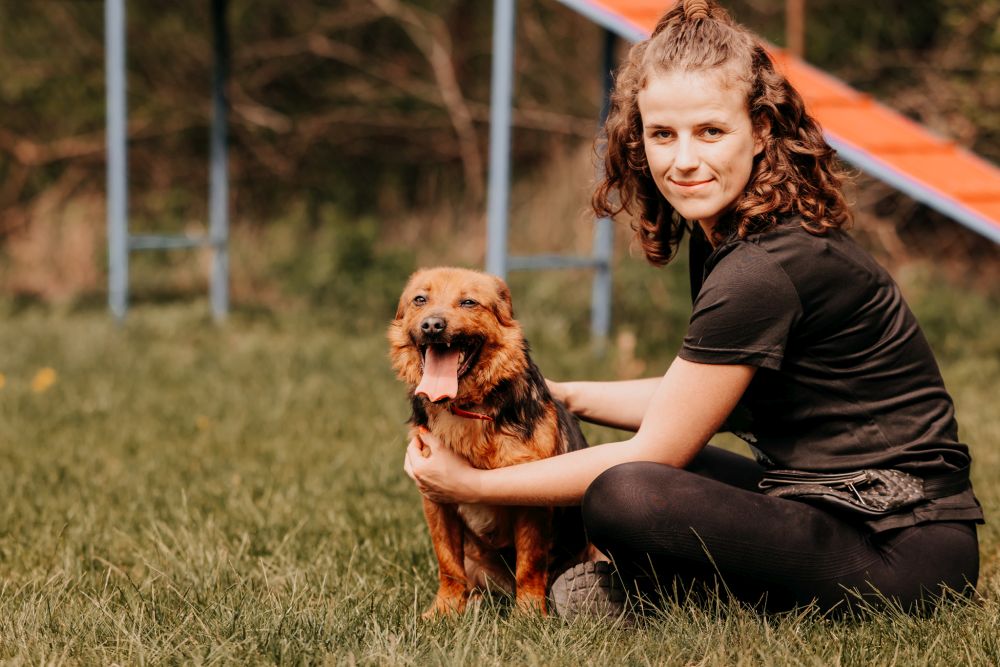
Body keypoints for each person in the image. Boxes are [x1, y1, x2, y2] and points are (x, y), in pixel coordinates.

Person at [403, 0, 984, 617]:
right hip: (821, 499)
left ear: (761, 129)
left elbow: (654, 451)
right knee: (676, 468)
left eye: (710, 132)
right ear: (638, 139)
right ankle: (652, 582)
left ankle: (651, 592)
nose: (683, 160)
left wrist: (473, 484)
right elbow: (694, 398)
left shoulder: (762, 268)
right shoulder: (732, 233)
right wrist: (557, 395)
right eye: (663, 134)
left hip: (901, 545)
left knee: (625, 491)